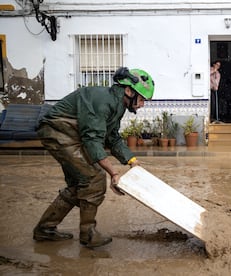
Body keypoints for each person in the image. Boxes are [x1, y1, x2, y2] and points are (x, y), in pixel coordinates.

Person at [33, 67, 154, 248]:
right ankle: (88, 235)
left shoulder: (117, 104)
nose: (143, 104)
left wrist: (132, 161)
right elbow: (92, 141)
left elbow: (112, 137)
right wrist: (113, 173)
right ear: (129, 91)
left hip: (70, 134)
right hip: (58, 131)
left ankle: (45, 230)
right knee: (94, 178)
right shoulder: (103, 101)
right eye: (142, 99)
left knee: (78, 185)